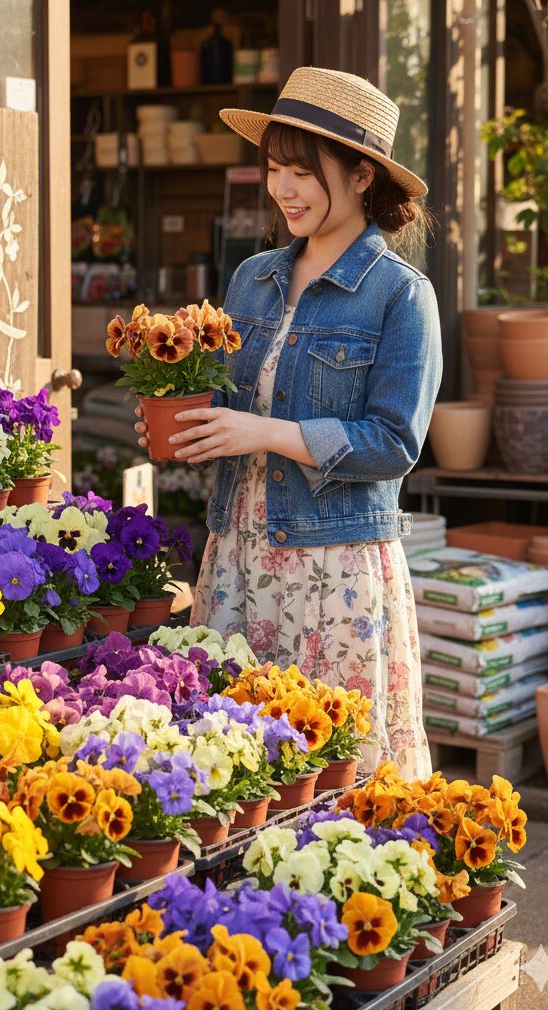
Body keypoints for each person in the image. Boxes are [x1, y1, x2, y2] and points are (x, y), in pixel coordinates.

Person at [135, 67, 441, 780]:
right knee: (231, 765)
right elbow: (226, 403)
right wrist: (186, 419)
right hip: (238, 555)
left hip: (333, 574)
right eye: (274, 169)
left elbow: (395, 443)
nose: (284, 190)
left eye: (303, 172)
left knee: (333, 774)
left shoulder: (400, 296)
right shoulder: (253, 278)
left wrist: (263, 433)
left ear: (363, 175)